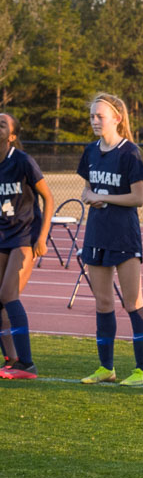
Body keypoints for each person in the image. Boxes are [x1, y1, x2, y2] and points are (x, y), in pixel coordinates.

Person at [77, 94, 143, 387]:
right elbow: (87, 189)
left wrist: (102, 197)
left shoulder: (130, 152)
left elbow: (138, 198)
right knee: (103, 302)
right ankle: (105, 367)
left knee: (133, 301)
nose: (95, 121)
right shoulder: (91, 151)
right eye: (92, 116)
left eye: (100, 116)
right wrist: (89, 196)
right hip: (97, 232)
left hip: (124, 234)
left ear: (117, 119)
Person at [0, 113, 54, 379]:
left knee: (8, 295)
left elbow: (48, 198)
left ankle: (27, 364)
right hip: (1, 236)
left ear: (11, 136)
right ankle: (11, 360)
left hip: (24, 235)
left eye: (2, 124)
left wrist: (42, 237)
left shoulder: (22, 161)